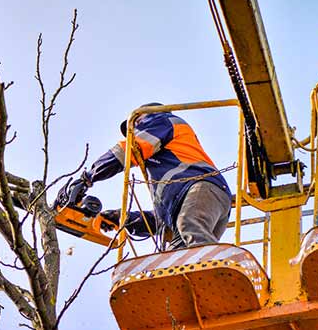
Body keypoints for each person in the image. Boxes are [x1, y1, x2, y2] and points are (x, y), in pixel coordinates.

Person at [67, 103, 231, 250]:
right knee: (176, 259)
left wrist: (87, 178)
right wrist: (121, 218)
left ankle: (221, 277)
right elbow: (158, 221)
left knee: (189, 224)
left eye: (138, 121)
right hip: (205, 198)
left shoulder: (163, 120)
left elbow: (127, 150)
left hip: (202, 188)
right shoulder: (164, 173)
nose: (135, 129)